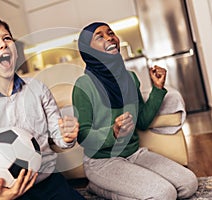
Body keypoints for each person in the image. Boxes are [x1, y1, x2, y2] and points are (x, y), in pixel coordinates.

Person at [72, 22, 198, 200]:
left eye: (110, 33)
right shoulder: (83, 86)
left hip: (134, 153)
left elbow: (143, 122)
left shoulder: (129, 78)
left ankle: (117, 187)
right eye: (100, 37)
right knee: (164, 194)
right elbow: (83, 136)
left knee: (188, 183)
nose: (109, 38)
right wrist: (113, 133)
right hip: (102, 162)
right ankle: (99, 187)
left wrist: (157, 89)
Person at [0, 16, 85, 200]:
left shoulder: (39, 89)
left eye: (7, 38)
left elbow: (58, 137)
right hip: (12, 193)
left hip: (48, 181)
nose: (3, 45)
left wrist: (67, 137)